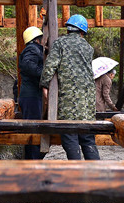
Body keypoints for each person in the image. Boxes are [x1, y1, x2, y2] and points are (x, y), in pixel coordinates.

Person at [40, 14, 99, 160]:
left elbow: (50, 66)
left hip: (69, 98)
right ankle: (98, 172)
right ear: (82, 32)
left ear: (68, 29)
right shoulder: (88, 47)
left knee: (70, 133)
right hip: (88, 99)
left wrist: (44, 84)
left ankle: (76, 171)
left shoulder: (60, 43)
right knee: (87, 137)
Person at [18, 25, 46, 160]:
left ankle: (32, 160)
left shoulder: (33, 49)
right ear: (37, 39)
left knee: (34, 128)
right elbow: (28, 65)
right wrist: (45, 74)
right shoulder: (32, 49)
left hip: (31, 95)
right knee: (34, 129)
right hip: (31, 97)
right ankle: (33, 162)